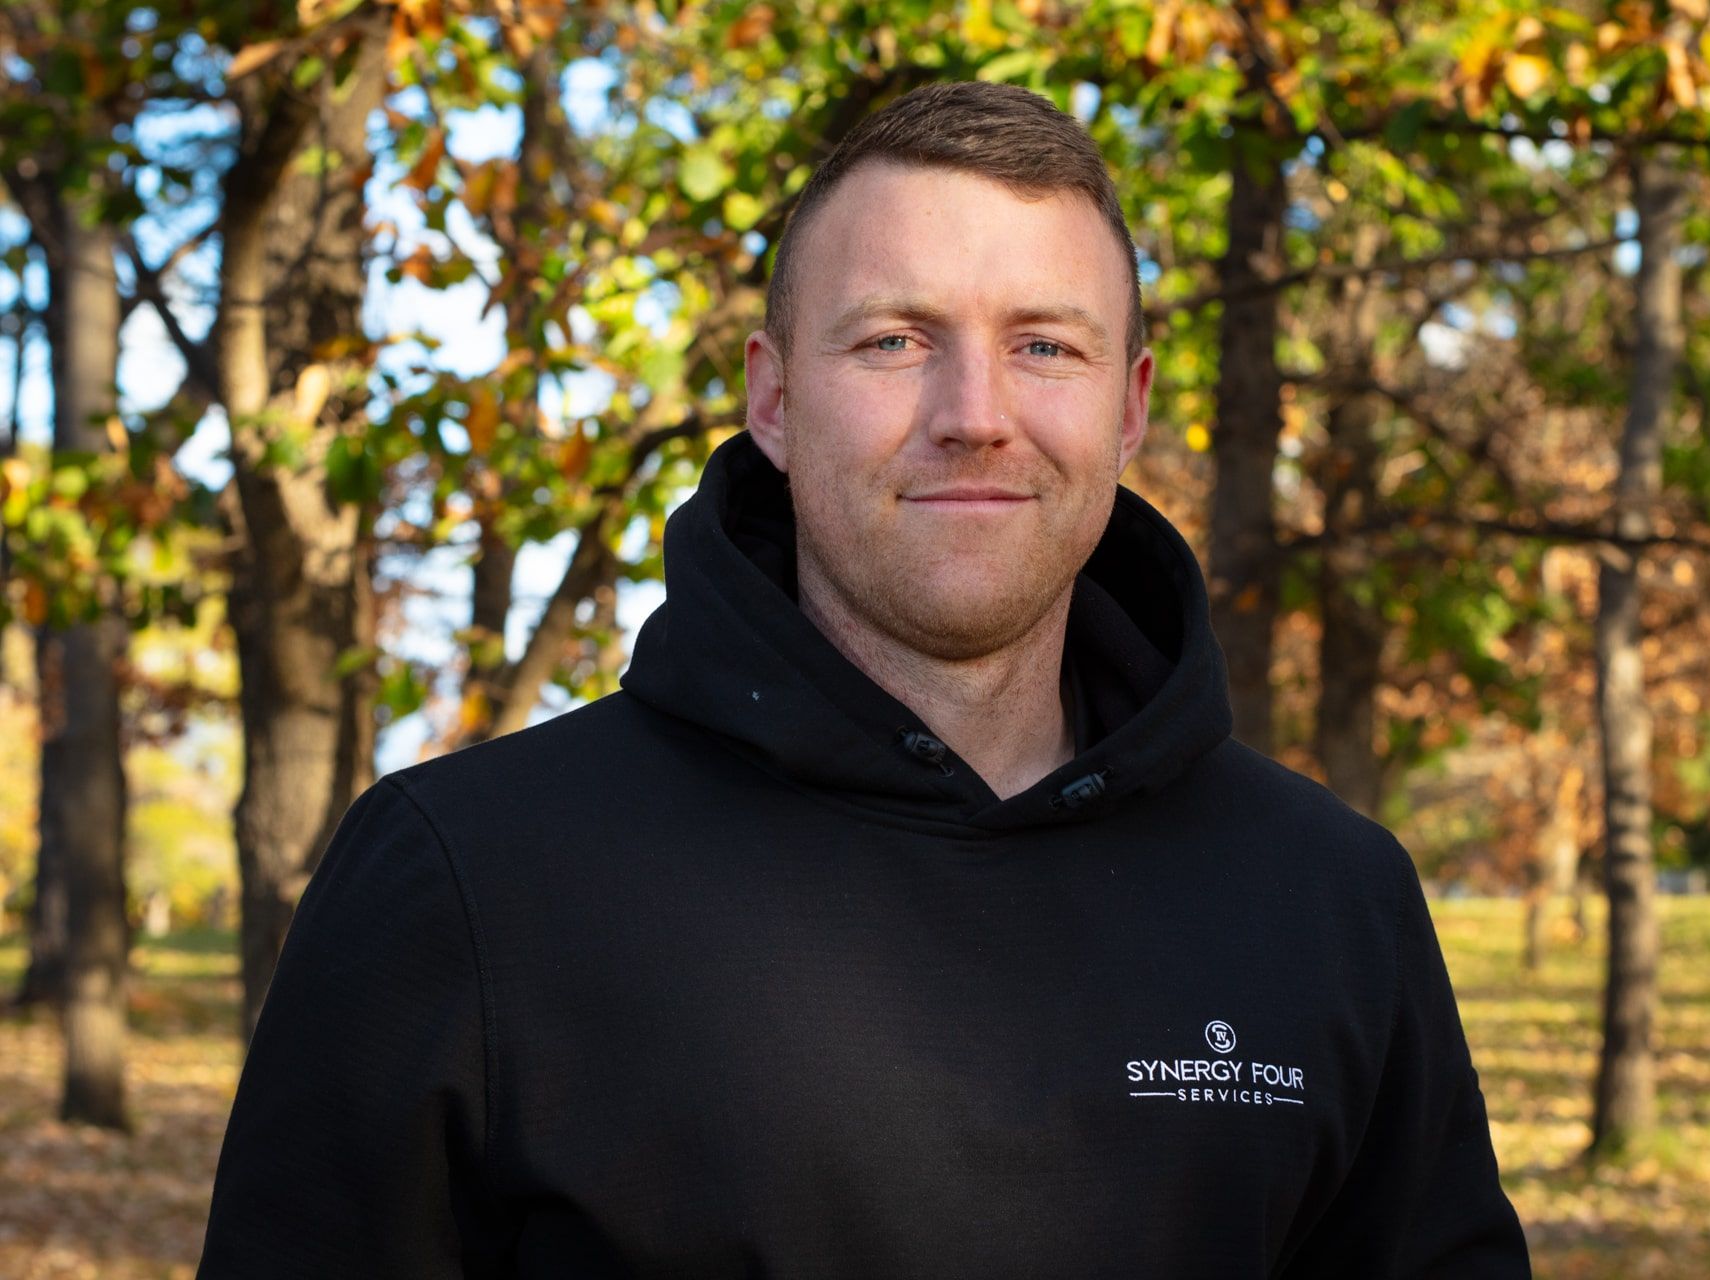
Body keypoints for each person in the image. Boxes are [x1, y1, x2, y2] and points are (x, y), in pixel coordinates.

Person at [196, 80, 1530, 1278]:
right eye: (894, 340)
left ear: (1127, 408)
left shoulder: (1327, 896)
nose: (975, 411)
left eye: (1044, 346)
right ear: (773, 402)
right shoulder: (464, 883)